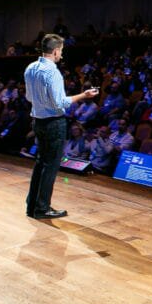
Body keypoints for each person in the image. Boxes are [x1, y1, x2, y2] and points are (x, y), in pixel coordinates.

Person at [24, 34, 98, 220]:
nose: (62, 55)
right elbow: (60, 104)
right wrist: (83, 95)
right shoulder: (53, 72)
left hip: (38, 121)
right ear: (56, 51)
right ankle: (42, 208)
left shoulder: (30, 68)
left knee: (41, 162)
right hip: (53, 123)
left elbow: (28, 98)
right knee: (51, 166)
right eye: (61, 51)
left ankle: (32, 204)